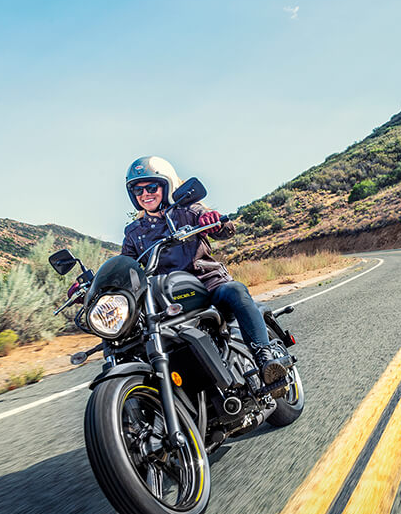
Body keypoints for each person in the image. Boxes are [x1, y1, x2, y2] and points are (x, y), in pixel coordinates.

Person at [119, 156, 291, 386]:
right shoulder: (133, 232)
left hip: (206, 283)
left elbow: (226, 229)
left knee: (236, 291)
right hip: (165, 296)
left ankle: (266, 358)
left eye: (151, 187)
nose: (145, 194)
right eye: (138, 190)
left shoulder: (187, 211)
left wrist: (214, 220)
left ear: (167, 184)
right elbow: (126, 264)